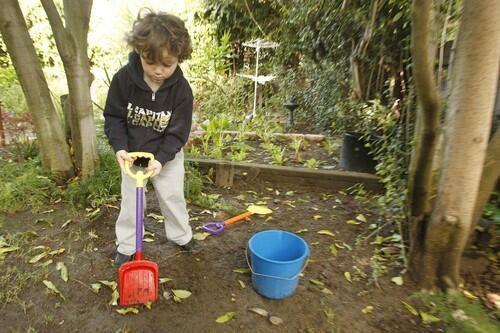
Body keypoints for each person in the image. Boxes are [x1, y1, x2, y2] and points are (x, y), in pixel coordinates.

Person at [103, 9, 198, 266]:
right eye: (151, 62)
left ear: (179, 58)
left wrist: (162, 159)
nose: (158, 71)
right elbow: (113, 117)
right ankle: (126, 244)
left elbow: (178, 131)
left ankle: (181, 235)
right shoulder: (124, 81)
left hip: (166, 157)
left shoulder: (181, 91)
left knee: (173, 196)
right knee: (131, 202)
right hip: (133, 156)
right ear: (139, 52)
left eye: (167, 65)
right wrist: (120, 148)